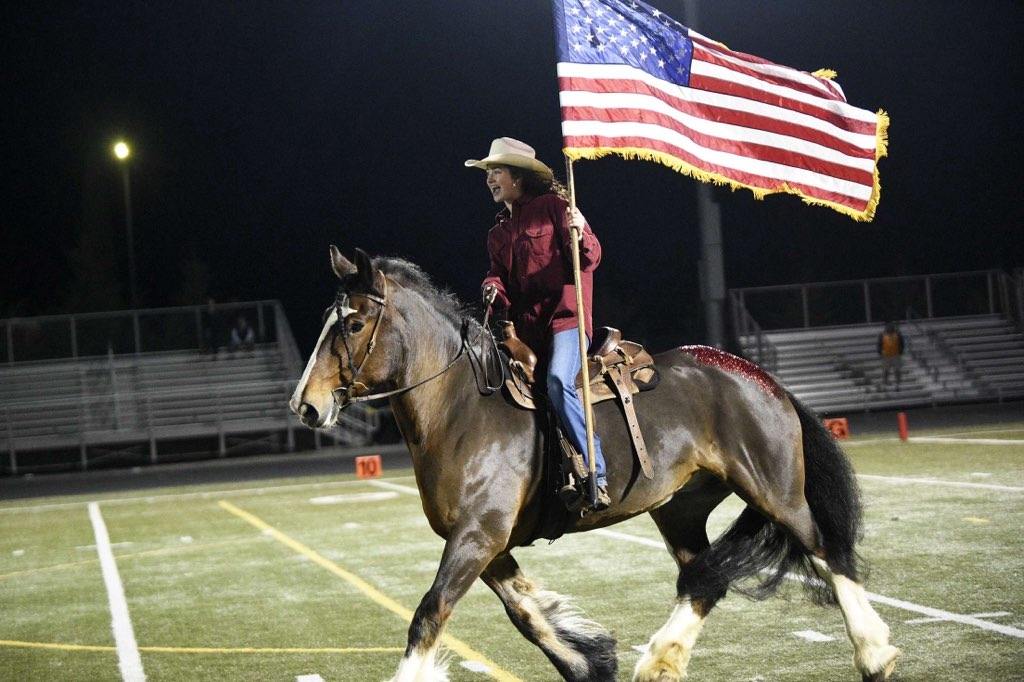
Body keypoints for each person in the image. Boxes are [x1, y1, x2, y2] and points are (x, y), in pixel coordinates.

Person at [466, 137, 610, 510]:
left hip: (566, 321)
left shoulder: (556, 208)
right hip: (527, 332)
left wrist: (583, 230)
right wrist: (491, 287)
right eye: (488, 173)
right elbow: (499, 276)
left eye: (496, 172)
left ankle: (595, 467)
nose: (489, 179)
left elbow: (590, 259)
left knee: (560, 381)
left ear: (519, 177)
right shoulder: (497, 233)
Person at [877, 321, 905, 390]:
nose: (889, 328)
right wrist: (880, 352)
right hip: (886, 355)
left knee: (897, 370)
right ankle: (885, 383)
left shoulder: (898, 334)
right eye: (888, 327)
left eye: (891, 327)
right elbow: (879, 345)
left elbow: (902, 343)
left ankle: (897, 384)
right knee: (886, 370)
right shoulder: (882, 335)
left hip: (896, 355)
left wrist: (900, 352)